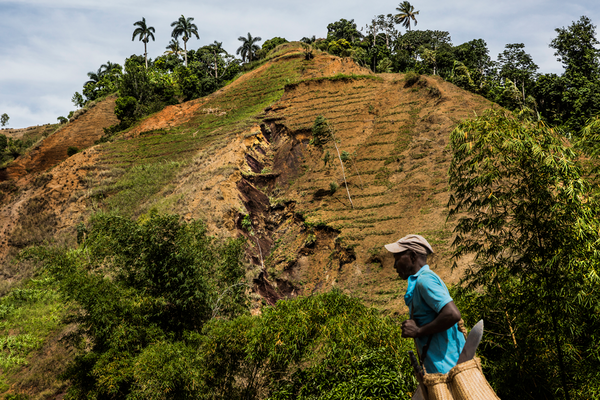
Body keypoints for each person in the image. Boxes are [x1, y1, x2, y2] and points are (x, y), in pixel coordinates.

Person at [385, 234, 465, 374]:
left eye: (397, 259)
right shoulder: (420, 282)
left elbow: (452, 314)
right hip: (440, 369)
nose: (394, 265)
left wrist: (418, 331)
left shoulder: (425, 280)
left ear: (413, 256)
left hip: (448, 370)